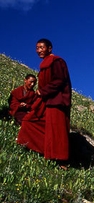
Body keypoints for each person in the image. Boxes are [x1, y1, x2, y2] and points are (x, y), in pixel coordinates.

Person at [17, 38, 72, 169]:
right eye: (37, 48)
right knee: (30, 120)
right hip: (46, 101)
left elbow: (59, 80)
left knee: (57, 130)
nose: (39, 50)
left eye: (42, 47)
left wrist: (43, 91)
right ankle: (43, 150)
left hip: (56, 101)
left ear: (49, 48)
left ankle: (62, 161)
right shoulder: (43, 65)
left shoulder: (57, 61)